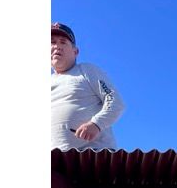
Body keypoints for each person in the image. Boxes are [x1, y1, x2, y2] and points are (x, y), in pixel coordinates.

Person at [51, 22, 125, 150]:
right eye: (52, 42)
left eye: (63, 42)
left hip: (93, 157)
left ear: (75, 51)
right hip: (55, 160)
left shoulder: (87, 70)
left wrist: (96, 124)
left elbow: (115, 102)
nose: (57, 46)